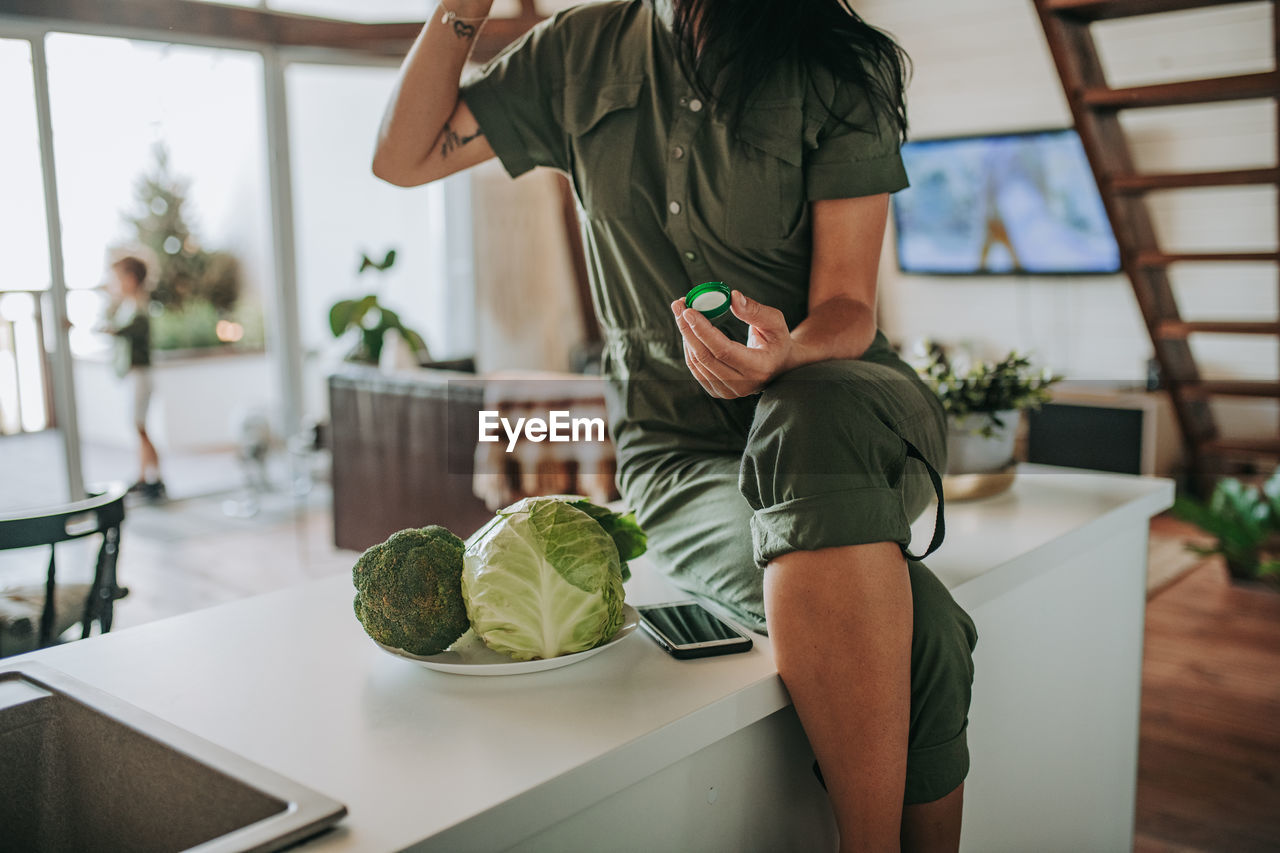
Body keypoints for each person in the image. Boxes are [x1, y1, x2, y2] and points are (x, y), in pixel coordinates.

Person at [373, 1, 977, 849]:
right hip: (679, 454)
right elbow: (401, 158)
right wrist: (463, 9)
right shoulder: (573, 53)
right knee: (927, 630)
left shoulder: (831, 63)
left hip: (851, 415)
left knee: (802, 418)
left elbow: (847, 307)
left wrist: (784, 355)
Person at [106, 255, 165, 500]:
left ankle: (153, 477)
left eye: (118, 278)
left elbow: (124, 331)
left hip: (140, 375)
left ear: (130, 279)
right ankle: (145, 476)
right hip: (134, 375)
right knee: (139, 427)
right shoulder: (129, 305)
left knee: (139, 427)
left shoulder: (139, 307)